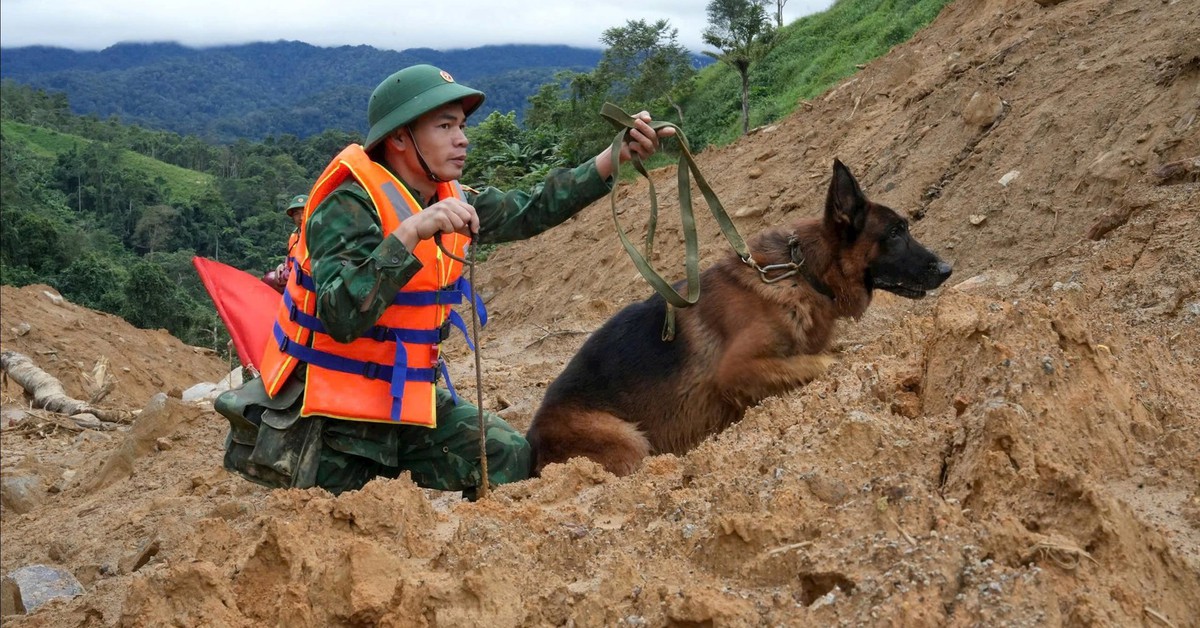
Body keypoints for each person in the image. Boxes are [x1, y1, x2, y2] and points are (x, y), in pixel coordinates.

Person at [215, 64, 674, 497]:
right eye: (445, 127)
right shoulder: (347, 206)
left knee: (506, 456)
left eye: (461, 127)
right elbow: (340, 317)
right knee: (346, 530)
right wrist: (410, 233)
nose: (462, 140)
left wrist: (614, 158)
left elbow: (530, 207)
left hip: (401, 403)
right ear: (399, 137)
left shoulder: (443, 196)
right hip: (331, 420)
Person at [261, 194, 308, 294]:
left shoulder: (315, 236)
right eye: (296, 214)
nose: (301, 218)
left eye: (304, 212)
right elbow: (291, 259)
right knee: (268, 279)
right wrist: (283, 266)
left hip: (307, 286)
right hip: (293, 281)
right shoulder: (294, 236)